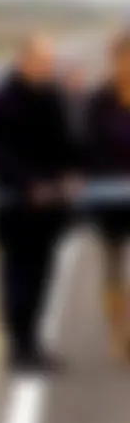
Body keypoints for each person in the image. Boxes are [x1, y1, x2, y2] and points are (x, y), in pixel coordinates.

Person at [0, 34, 77, 371]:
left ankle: (32, 341)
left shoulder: (53, 99)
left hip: (49, 214)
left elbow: (66, 143)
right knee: (18, 279)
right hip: (15, 212)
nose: (46, 68)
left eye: (49, 63)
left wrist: (70, 174)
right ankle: (20, 346)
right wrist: (29, 183)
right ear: (24, 61)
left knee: (42, 278)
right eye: (42, 62)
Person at [84, 29, 130, 359]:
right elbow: (88, 149)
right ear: (113, 61)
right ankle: (119, 334)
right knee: (113, 269)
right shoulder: (98, 102)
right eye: (123, 59)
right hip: (111, 203)